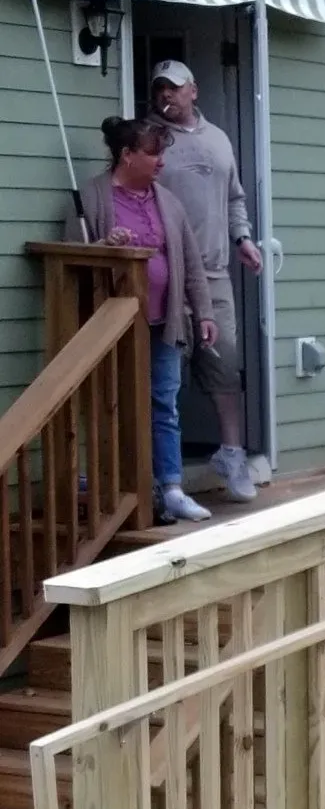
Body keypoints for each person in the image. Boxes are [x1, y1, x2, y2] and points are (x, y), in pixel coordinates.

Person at [66, 116, 218, 524]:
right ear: (126, 155)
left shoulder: (167, 201)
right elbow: (72, 259)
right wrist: (104, 246)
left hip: (162, 322)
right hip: (112, 323)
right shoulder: (93, 198)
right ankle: (121, 486)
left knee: (164, 404)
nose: (161, 162)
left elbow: (190, 263)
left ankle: (171, 489)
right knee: (113, 405)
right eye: (153, 153)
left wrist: (203, 311)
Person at [148, 60, 264, 504]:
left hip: (215, 272)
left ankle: (232, 456)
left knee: (222, 366)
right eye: (160, 89)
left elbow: (234, 197)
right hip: (169, 275)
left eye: (174, 89)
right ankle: (165, 475)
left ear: (193, 90)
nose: (167, 96)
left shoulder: (218, 139)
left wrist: (244, 238)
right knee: (167, 376)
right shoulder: (151, 140)